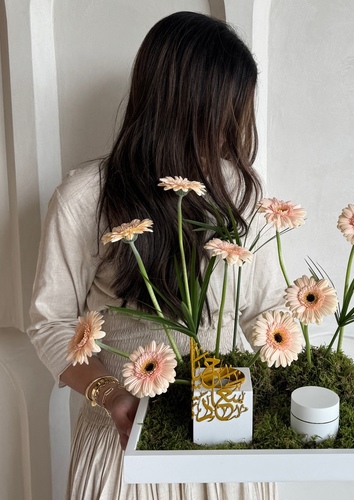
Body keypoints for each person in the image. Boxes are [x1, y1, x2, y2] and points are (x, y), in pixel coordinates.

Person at [28, 11, 284, 499]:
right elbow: (50, 321)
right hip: (125, 443)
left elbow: (265, 310)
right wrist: (111, 395)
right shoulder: (86, 196)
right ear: (186, 105)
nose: (234, 124)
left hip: (226, 436)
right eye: (227, 107)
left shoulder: (237, 191)